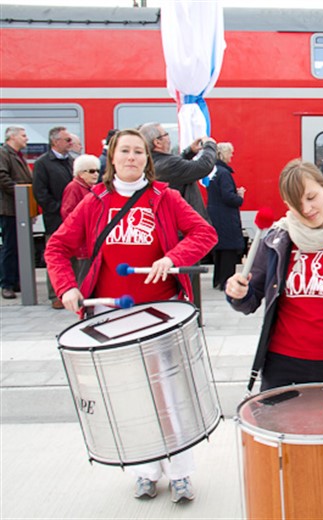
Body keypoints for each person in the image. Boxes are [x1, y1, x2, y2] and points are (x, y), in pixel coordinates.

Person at [44, 129, 217, 503]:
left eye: (139, 152)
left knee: (171, 394)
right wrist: (66, 288)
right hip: (111, 316)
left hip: (161, 314)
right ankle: (145, 471)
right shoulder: (95, 201)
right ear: (112, 157)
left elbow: (204, 233)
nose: (132, 157)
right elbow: (56, 247)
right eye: (125, 151)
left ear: (147, 159)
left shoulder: (163, 197)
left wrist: (172, 259)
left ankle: (181, 473)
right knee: (131, 398)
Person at [224, 158, 323, 404]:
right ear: (287, 205)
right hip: (283, 367)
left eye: (311, 197)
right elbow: (250, 301)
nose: (306, 209)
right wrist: (238, 293)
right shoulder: (276, 241)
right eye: (297, 204)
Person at [139, 122, 218, 318]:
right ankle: (188, 316)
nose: (169, 138)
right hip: (183, 233)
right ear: (157, 142)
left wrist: (189, 152)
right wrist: (210, 145)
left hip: (170, 231)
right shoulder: (166, 165)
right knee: (186, 278)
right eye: (166, 135)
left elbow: (180, 167)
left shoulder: (155, 163)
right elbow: (202, 167)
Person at [32, 126, 74, 309]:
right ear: (55, 142)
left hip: (73, 218)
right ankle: (55, 295)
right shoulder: (43, 163)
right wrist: (59, 209)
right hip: (55, 219)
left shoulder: (71, 161)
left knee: (73, 257)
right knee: (56, 254)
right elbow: (40, 193)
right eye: (67, 140)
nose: (70, 143)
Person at [207, 142, 245, 289]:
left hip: (216, 216)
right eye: (230, 153)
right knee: (229, 250)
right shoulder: (224, 173)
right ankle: (226, 282)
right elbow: (228, 197)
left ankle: (217, 280)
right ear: (224, 154)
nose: (231, 156)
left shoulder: (214, 172)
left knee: (220, 251)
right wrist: (239, 196)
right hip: (226, 218)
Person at [0, 126, 32, 299]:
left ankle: (17, 280)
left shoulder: (18, 156)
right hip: (10, 208)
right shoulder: (3, 154)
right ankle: (6, 283)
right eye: (23, 135)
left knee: (20, 247)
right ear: (12, 137)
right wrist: (23, 194)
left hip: (21, 208)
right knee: (10, 246)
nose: (26, 139)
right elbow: (2, 178)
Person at [60, 154, 101, 284]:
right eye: (92, 171)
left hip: (90, 239)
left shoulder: (89, 188)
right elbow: (68, 213)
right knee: (84, 276)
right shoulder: (74, 187)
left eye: (97, 171)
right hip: (83, 241)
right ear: (81, 173)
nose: (96, 174)